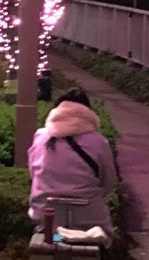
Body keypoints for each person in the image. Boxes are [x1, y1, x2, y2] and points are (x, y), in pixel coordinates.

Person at [28, 88, 117, 235]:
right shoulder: (98, 141)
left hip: (47, 215)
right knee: (96, 242)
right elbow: (109, 181)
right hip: (89, 216)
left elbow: (35, 174)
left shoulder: (40, 137)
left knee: (48, 237)